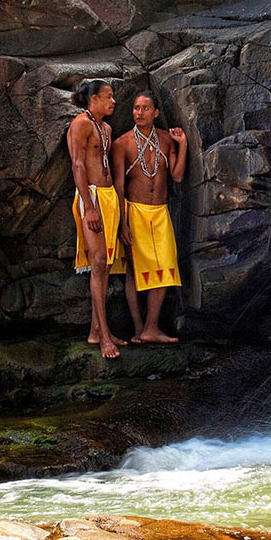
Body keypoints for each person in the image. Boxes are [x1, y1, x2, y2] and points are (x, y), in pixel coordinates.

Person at [111, 90, 187, 344]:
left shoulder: (166, 140)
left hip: (160, 212)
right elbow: (119, 188)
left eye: (145, 108)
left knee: (165, 267)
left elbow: (176, 176)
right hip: (135, 212)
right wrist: (122, 224)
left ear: (155, 112)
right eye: (135, 108)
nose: (139, 112)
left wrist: (183, 145)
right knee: (134, 270)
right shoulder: (122, 143)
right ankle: (138, 328)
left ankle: (151, 328)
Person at [68, 79, 128, 359]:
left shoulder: (106, 128)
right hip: (90, 197)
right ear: (93, 99)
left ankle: (96, 330)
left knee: (104, 267)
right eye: (108, 96)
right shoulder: (81, 123)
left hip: (108, 198)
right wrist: (89, 206)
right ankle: (104, 336)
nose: (113, 101)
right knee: (99, 261)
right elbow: (78, 164)